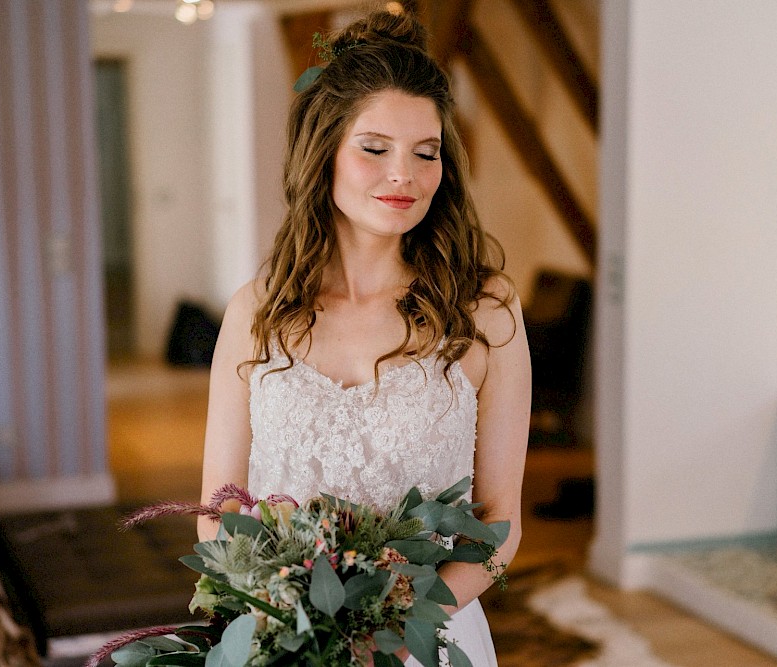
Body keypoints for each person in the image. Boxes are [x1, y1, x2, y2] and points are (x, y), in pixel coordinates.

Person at [199, 9, 531, 666]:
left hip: (428, 644)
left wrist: (390, 628)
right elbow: (216, 513)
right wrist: (286, 619)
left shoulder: (486, 313)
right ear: (324, 151)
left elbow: (498, 528)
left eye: (426, 152)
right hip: (285, 645)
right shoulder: (256, 313)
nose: (404, 175)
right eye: (375, 148)